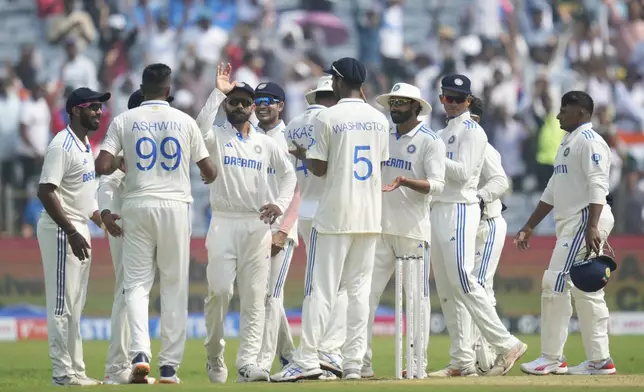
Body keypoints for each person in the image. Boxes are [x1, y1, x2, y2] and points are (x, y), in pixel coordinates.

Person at [95, 63, 217, 384]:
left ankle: (139, 353)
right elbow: (210, 171)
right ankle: (168, 368)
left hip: (136, 204)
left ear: (142, 86)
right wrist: (205, 173)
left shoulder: (124, 120)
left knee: (135, 285)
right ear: (168, 89)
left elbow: (102, 164)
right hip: (175, 205)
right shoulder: (184, 120)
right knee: (174, 285)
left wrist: (121, 160)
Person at [271, 57, 390, 382]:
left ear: (337, 81)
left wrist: (303, 155)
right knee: (358, 291)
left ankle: (307, 358)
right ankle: (353, 363)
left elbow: (319, 168)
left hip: (334, 214)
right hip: (369, 216)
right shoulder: (380, 120)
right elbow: (378, 164)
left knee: (320, 290)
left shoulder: (328, 117)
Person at [194, 63, 297, 383]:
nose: (239, 106)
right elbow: (197, 130)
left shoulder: (265, 144)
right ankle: (214, 354)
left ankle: (248, 362)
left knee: (255, 297)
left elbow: (289, 176)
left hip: (257, 226)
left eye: (244, 102)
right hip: (224, 222)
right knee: (220, 292)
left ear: (253, 107)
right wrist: (217, 92)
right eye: (233, 101)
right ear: (226, 105)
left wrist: (279, 206)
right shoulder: (217, 136)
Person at [428, 74, 526, 378]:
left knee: (465, 279)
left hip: (462, 208)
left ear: (468, 101)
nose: (452, 103)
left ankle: (506, 343)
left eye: (458, 98)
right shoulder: (442, 133)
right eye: (447, 97)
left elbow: (463, 174)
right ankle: (462, 361)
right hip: (439, 208)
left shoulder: (473, 131)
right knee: (446, 288)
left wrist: (431, 153)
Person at [517, 91, 616, 376]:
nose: (558, 116)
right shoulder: (567, 142)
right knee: (588, 288)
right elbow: (552, 190)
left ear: (582, 113)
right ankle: (600, 360)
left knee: (555, 281)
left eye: (564, 110)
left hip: (584, 218)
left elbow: (599, 184)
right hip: (574, 221)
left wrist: (593, 225)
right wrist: (529, 225)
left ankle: (551, 357)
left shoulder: (589, 142)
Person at [364, 82, 445, 378]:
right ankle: (362, 363)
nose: (395, 107)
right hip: (378, 229)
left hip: (412, 231)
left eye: (401, 103)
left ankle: (416, 364)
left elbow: (438, 185)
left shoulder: (430, 140)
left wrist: (406, 181)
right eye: (393, 102)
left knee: (416, 300)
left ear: (415, 107)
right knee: (365, 296)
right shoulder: (382, 136)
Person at [36, 87, 112, 386]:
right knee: (61, 306)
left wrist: (103, 221)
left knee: (75, 307)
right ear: (76, 110)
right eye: (93, 107)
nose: (99, 112)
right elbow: (46, 190)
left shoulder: (84, 145)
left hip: (79, 227)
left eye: (100, 107)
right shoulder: (62, 144)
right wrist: (70, 231)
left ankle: (76, 370)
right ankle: (62, 373)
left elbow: (84, 198)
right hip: (60, 230)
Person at [98, 91, 174, 385]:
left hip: (141, 223)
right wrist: (106, 213)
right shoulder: (126, 145)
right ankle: (117, 366)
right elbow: (107, 182)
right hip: (124, 225)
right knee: (127, 292)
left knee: (134, 292)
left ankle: (128, 362)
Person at [284, 75, 348, 379]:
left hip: (303, 208)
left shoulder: (294, 124)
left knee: (322, 279)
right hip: (331, 207)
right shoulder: (336, 121)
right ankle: (328, 350)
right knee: (339, 283)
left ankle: (323, 349)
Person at [252, 81, 302, 373]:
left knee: (271, 296)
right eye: (258, 100)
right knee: (263, 295)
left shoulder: (291, 139)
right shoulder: (248, 137)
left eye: (269, 100)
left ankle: (262, 362)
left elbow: (299, 188)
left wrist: (284, 230)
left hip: (281, 229)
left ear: (281, 105)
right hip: (252, 228)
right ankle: (289, 355)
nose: (261, 105)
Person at [468, 96, 510, 375]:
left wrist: (477, 199)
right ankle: (483, 357)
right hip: (469, 227)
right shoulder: (451, 145)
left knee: (478, 286)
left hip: (489, 222)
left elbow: (501, 182)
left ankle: (495, 354)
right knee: (477, 288)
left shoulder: (484, 148)